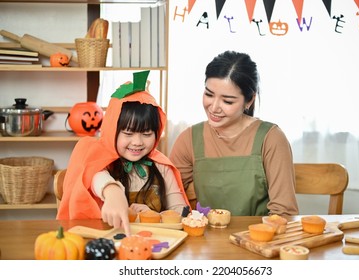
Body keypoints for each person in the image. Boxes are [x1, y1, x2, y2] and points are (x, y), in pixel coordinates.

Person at [57, 70, 190, 236]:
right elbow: (94, 176)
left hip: (155, 244)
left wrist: (155, 216)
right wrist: (113, 192)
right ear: (113, 130)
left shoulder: (162, 168)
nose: (137, 142)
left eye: (147, 134)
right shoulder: (102, 163)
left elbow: (181, 213)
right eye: (128, 133)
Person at [169, 50, 299, 216]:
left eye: (227, 101)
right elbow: (169, 195)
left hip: (259, 238)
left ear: (249, 100)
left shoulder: (271, 138)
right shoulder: (189, 139)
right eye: (209, 94)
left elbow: (284, 212)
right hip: (206, 239)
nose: (214, 107)